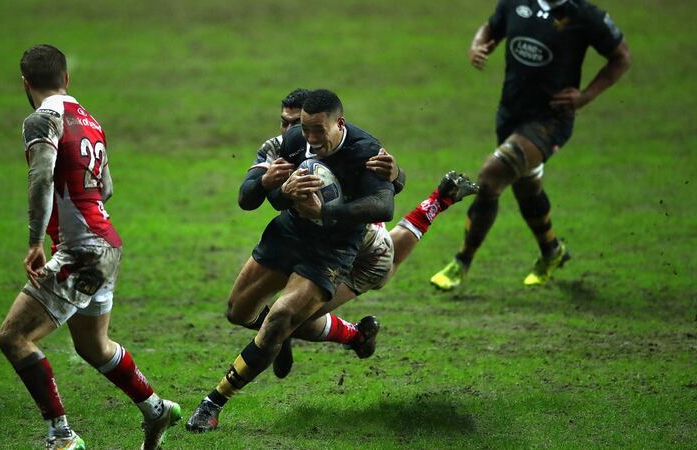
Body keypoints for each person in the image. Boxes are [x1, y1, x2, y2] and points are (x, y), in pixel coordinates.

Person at [185, 89, 475, 433]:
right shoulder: (289, 141)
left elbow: (384, 203)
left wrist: (344, 203)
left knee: (292, 312)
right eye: (296, 125)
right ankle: (334, 337)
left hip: (342, 246)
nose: (306, 136)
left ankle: (214, 401)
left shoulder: (365, 152)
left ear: (338, 123)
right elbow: (258, 198)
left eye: (314, 129)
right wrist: (280, 190)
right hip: (291, 234)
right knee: (242, 313)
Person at [0, 44, 180, 450]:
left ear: (25, 83)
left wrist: (34, 241)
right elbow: (107, 189)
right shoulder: (91, 121)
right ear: (67, 79)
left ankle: (61, 435)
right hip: (107, 244)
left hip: (81, 250)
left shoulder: (41, 119)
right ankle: (156, 408)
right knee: (93, 346)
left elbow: (41, 178)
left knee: (13, 336)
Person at [236, 88, 479, 380]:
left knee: (381, 267)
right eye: (285, 122)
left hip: (360, 239)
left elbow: (385, 188)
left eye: (296, 124)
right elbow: (251, 198)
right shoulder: (280, 147)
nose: (290, 130)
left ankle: (439, 201)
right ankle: (331, 336)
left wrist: (396, 174)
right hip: (311, 236)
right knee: (282, 318)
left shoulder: (338, 142)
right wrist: (266, 183)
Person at [430, 0, 631, 290]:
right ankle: (552, 251)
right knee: (527, 188)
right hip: (510, 114)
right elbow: (491, 28)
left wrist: (586, 96)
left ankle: (461, 262)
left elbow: (621, 56)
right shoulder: (515, 2)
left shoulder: (584, 15)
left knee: (491, 176)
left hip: (550, 120)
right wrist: (478, 45)